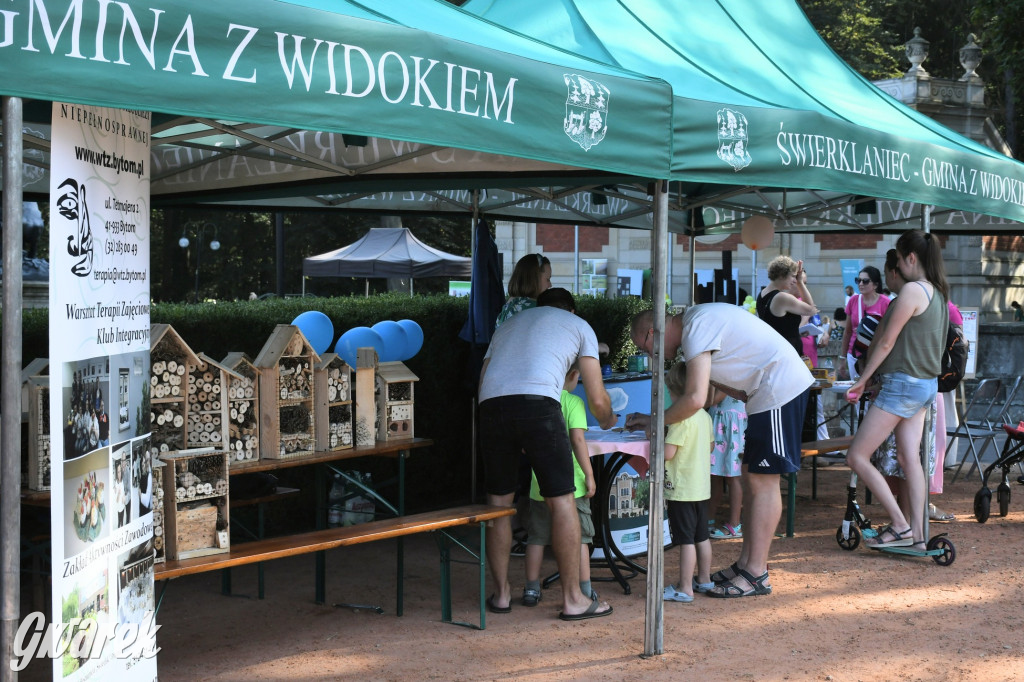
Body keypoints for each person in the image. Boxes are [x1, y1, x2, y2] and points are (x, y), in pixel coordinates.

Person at [626, 305, 813, 597]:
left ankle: (755, 572)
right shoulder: (695, 324)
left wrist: (654, 421)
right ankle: (747, 565)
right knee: (753, 476)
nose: (652, 356)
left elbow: (696, 398)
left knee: (764, 480)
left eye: (646, 348)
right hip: (767, 393)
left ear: (652, 333)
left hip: (779, 389)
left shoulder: (694, 328)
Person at [478, 287, 614, 620]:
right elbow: (597, 400)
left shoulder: (508, 325)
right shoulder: (580, 326)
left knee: (498, 504)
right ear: (569, 309)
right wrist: (609, 421)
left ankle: (501, 595)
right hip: (539, 405)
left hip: (491, 406)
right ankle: (573, 599)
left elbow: (483, 380)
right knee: (562, 500)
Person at [844, 230, 949, 550]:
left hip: (902, 386)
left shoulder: (912, 292)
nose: (898, 266)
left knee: (856, 456)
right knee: (909, 459)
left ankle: (902, 526)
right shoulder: (938, 293)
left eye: (900, 259)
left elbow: (886, 341)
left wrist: (863, 380)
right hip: (925, 386)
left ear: (910, 259)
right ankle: (918, 536)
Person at [521, 361, 596, 607]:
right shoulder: (574, 403)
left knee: (536, 538)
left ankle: (531, 588)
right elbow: (578, 440)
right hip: (571, 485)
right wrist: (589, 474)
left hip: (538, 484)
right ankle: (584, 589)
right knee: (582, 538)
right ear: (574, 375)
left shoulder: (536, 404)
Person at [661, 362, 715, 603]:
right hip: (701, 488)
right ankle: (704, 579)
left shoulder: (679, 420)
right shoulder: (704, 416)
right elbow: (711, 446)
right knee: (701, 536)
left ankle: (684, 587)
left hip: (681, 489)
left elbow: (668, 453)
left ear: (675, 392)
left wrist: (655, 441)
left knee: (685, 540)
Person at [756, 256, 817, 357]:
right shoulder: (781, 297)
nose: (795, 281)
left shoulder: (762, 294)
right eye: (793, 276)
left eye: (797, 277)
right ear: (781, 275)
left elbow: (778, 326)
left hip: (774, 351)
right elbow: (811, 309)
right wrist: (801, 283)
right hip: (786, 354)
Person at [706, 386, 746, 540]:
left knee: (732, 476)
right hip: (718, 419)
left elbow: (712, 399)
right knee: (714, 474)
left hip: (730, 423)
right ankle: (709, 519)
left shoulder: (729, 371)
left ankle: (735, 524)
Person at [841, 266, 891, 380]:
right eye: (858, 280)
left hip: (875, 355)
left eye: (865, 281)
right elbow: (847, 332)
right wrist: (842, 358)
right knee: (857, 394)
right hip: (854, 354)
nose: (860, 284)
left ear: (875, 285)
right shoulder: (853, 301)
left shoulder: (886, 303)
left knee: (873, 392)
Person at [495, 253, 551, 328]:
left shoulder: (510, 305)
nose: (550, 285)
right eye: (548, 279)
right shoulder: (534, 308)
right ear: (534, 279)